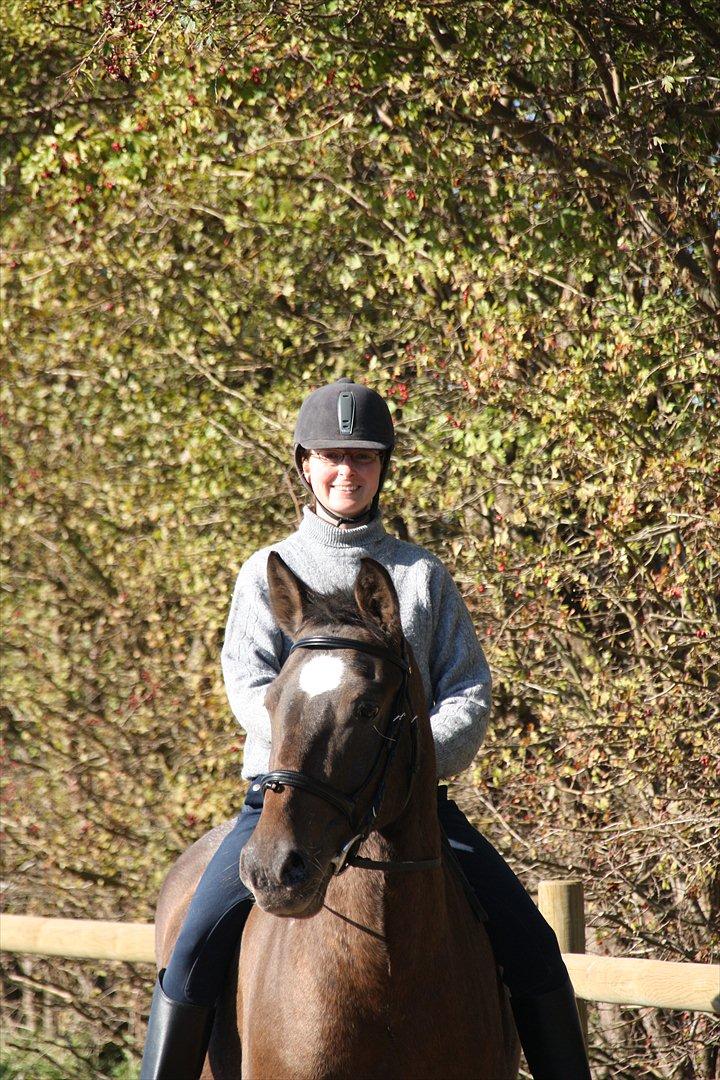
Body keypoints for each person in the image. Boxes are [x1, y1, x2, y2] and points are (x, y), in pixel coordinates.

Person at [140, 377, 591, 1080]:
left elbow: (467, 687)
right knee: (194, 944)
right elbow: (249, 684)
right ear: (305, 465)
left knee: (533, 947)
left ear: (382, 468)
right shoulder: (266, 572)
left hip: (409, 808)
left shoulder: (420, 576)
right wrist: (307, 756)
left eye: (363, 457)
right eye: (331, 457)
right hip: (287, 800)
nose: (346, 471)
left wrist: (416, 758)